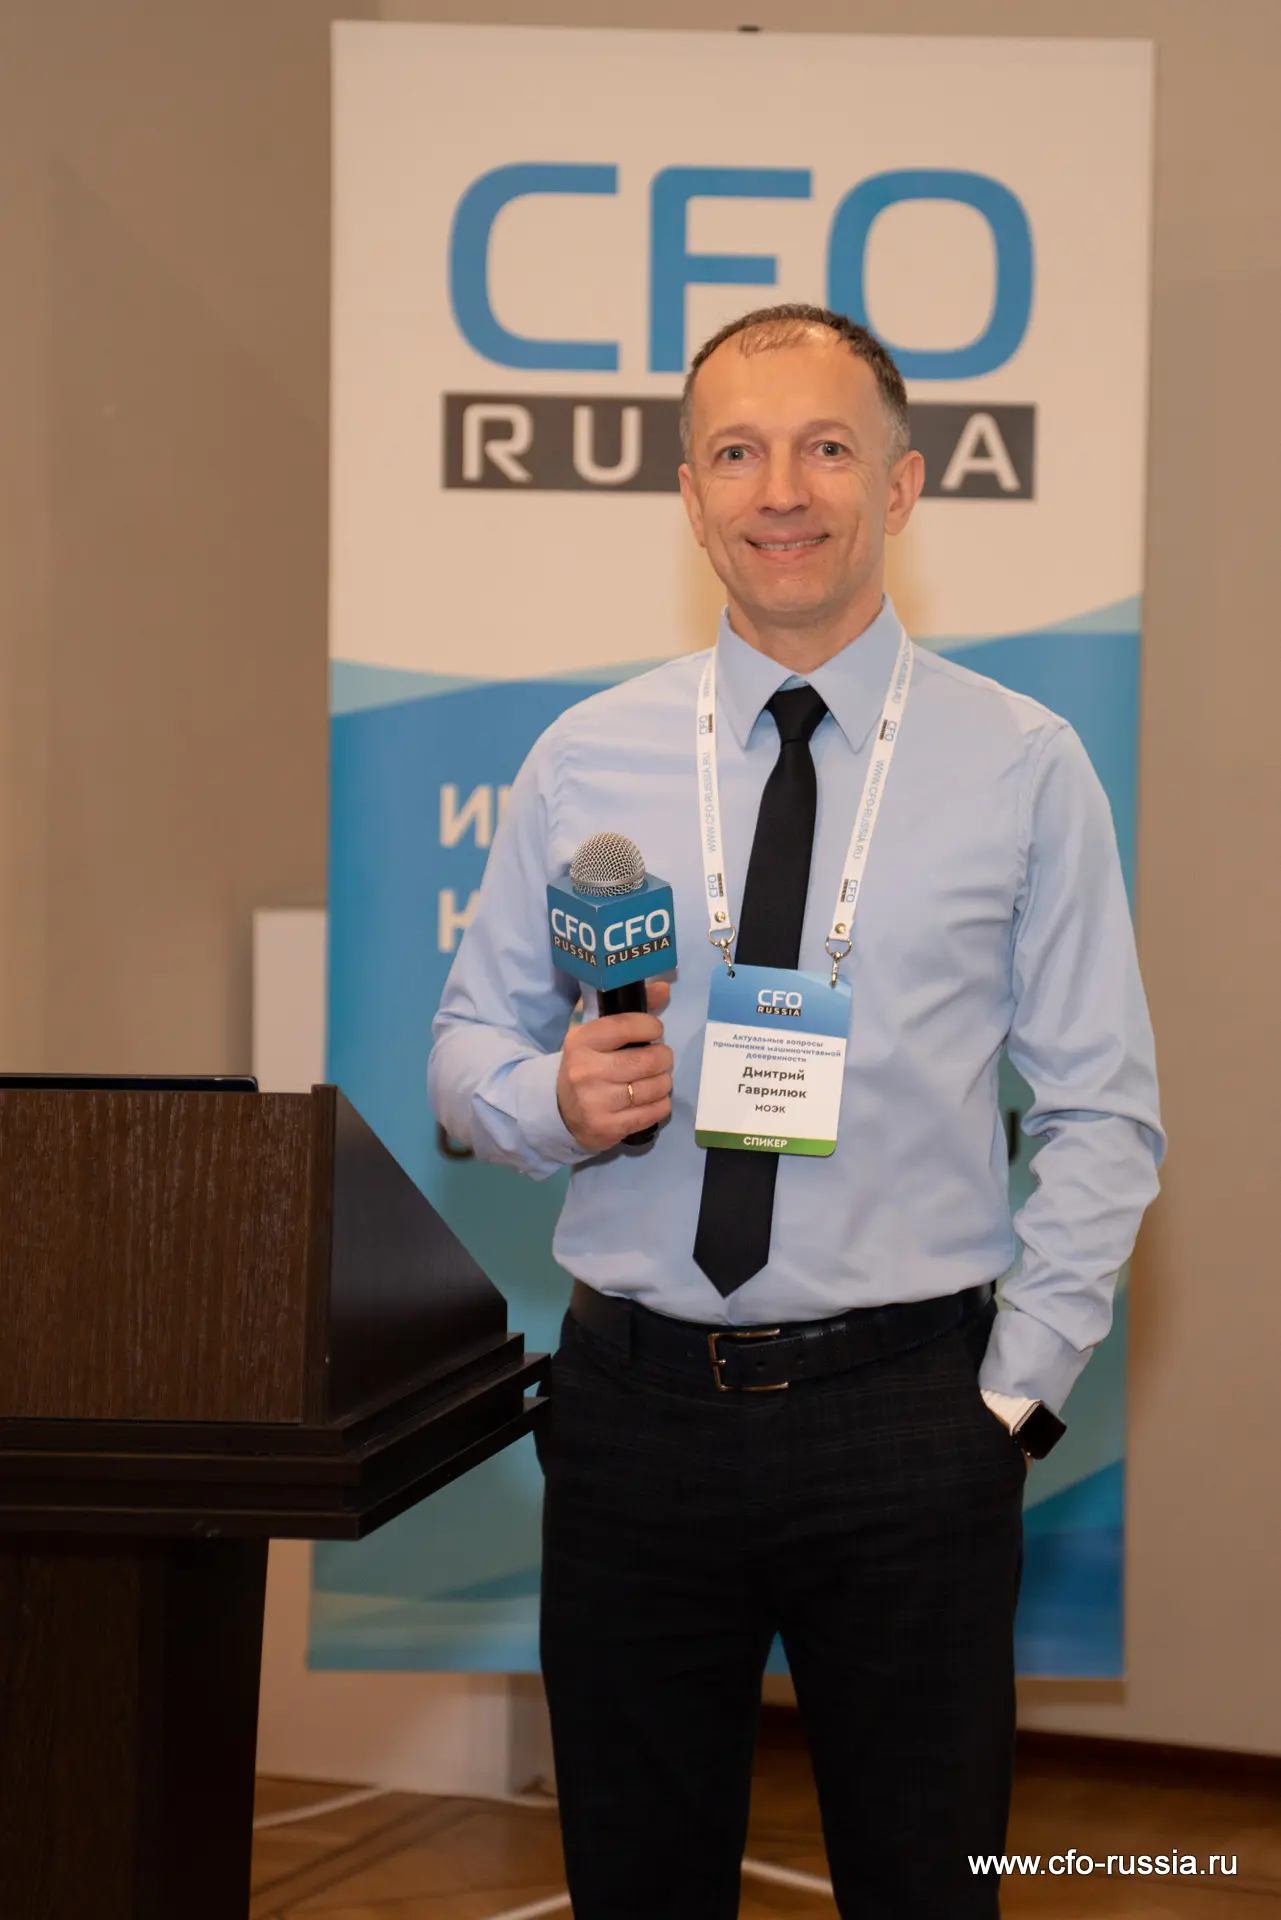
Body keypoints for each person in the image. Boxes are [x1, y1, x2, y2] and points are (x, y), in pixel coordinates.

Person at [428, 304, 1163, 1919]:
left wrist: (1013, 1402)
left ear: (899, 486)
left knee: (926, 1887)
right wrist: (549, 1095)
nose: (783, 490)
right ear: (691, 497)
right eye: (738, 453)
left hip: (909, 1421)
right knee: (638, 1888)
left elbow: (1106, 1112)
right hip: (631, 1422)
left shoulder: (1025, 766)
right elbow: (466, 1052)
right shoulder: (585, 758)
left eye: (827, 448)